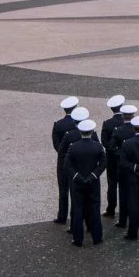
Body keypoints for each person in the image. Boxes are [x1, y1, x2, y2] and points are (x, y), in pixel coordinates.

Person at [65, 118, 106, 247]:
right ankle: (97, 237)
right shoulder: (97, 146)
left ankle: (77, 239)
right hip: (93, 182)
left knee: (78, 210)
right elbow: (103, 163)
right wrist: (94, 175)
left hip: (78, 183)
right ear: (92, 131)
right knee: (94, 208)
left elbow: (67, 165)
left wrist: (77, 176)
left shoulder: (73, 147)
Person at [52, 96, 79, 225]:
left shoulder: (58, 125)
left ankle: (62, 216)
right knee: (75, 191)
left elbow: (57, 146)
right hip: (77, 162)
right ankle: (75, 217)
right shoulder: (80, 124)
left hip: (63, 161)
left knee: (63, 190)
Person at [100, 95, 126, 219]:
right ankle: (124, 210)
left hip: (111, 158)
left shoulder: (107, 123)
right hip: (125, 159)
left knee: (112, 185)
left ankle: (111, 209)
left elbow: (104, 141)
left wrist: (114, 150)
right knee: (125, 185)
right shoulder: (126, 123)